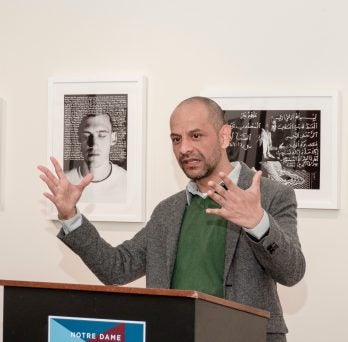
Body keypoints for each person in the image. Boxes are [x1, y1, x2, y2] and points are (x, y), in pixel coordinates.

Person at [38, 96, 305, 342]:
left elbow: (292, 272)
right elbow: (116, 268)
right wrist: (70, 216)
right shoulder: (167, 211)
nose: (185, 148)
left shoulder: (271, 196)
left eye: (196, 135)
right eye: (176, 139)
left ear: (224, 136)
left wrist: (257, 222)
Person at [65, 113, 127, 203]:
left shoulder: (127, 181)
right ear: (79, 138)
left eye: (101, 135)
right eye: (86, 136)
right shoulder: (64, 182)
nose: (93, 144)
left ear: (113, 138)